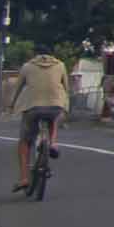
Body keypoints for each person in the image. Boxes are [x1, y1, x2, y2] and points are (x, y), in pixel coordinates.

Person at [12, 52, 69, 192]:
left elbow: (17, 89)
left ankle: (24, 178)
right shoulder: (61, 65)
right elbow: (66, 88)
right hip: (56, 105)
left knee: (24, 141)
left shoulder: (27, 67)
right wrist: (65, 106)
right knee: (54, 119)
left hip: (33, 107)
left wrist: (11, 104)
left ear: (34, 54)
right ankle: (53, 144)